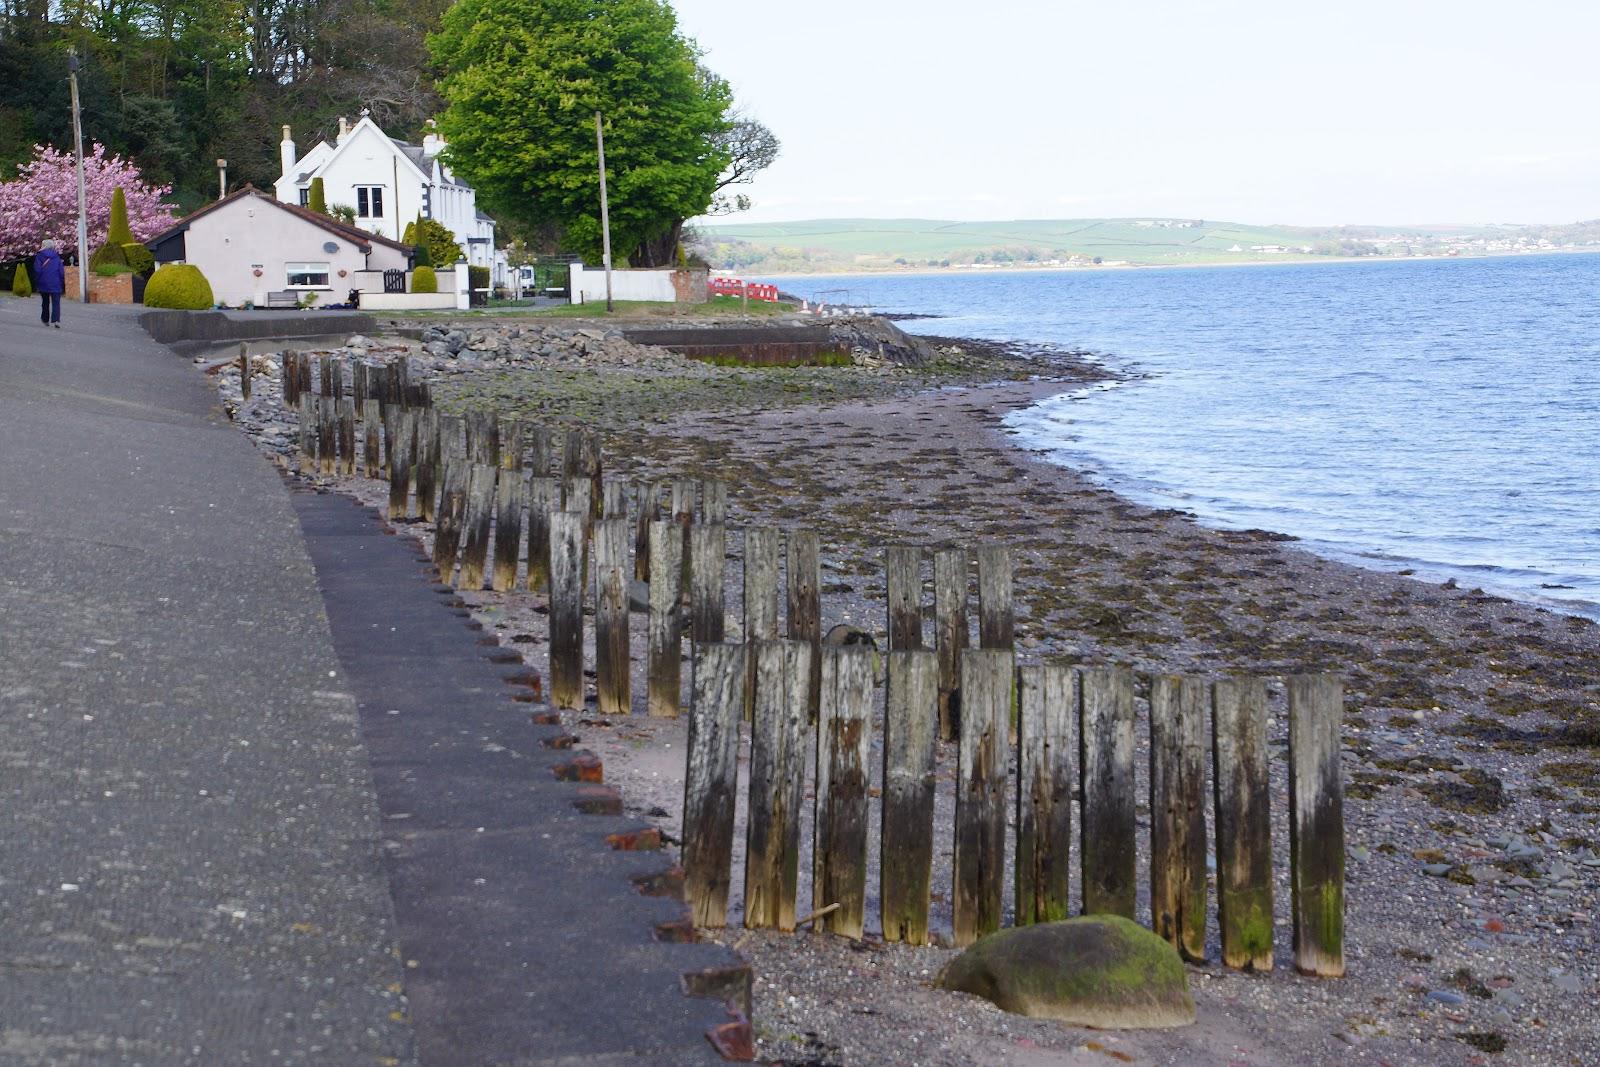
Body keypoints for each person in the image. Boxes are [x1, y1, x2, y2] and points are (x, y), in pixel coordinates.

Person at [33, 238, 65, 328]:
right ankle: (56, 320)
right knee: (56, 303)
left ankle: (45, 319)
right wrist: (61, 281)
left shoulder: (39, 256)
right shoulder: (57, 256)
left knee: (45, 302)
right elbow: (61, 271)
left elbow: (37, 270)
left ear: (43, 246)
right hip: (55, 282)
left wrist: (37, 280)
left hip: (43, 282)